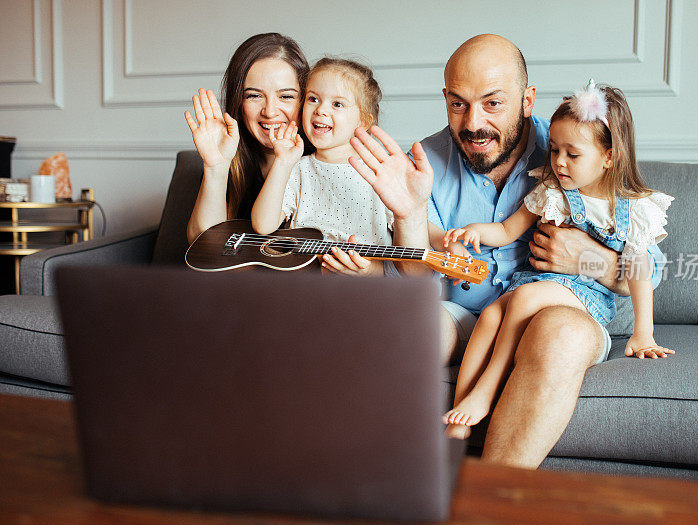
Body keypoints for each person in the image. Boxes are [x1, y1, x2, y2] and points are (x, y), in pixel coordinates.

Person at [347, 34, 665, 467]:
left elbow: (648, 268)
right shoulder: (423, 164)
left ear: (526, 100)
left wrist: (586, 258)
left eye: (492, 103)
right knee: (411, 324)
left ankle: (488, 504)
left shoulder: (571, 150)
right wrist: (409, 216)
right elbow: (418, 276)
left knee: (560, 333)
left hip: (560, 310)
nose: (473, 122)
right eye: (458, 103)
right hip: (462, 315)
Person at [441, 81, 674, 437]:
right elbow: (506, 230)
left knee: (524, 298)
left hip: (585, 299)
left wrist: (644, 332)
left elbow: (639, 270)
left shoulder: (631, 209)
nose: (559, 162)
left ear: (609, 156)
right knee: (489, 315)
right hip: (536, 281)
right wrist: (475, 231)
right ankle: (461, 413)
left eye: (573, 154)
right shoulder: (553, 191)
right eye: (553, 150)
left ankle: (485, 392)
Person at [250, 58, 392, 275]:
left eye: (337, 104)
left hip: (365, 285)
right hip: (307, 284)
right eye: (313, 99)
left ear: (362, 122)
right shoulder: (298, 168)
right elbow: (262, 225)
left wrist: (443, 239)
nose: (321, 110)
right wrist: (282, 162)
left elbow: (413, 224)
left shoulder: (379, 171)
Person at [184, 33, 310, 244]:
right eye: (254, 95)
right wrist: (216, 167)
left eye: (286, 96)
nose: (270, 112)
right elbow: (203, 245)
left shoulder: (324, 162)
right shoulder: (232, 162)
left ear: (305, 99)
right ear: (239, 103)